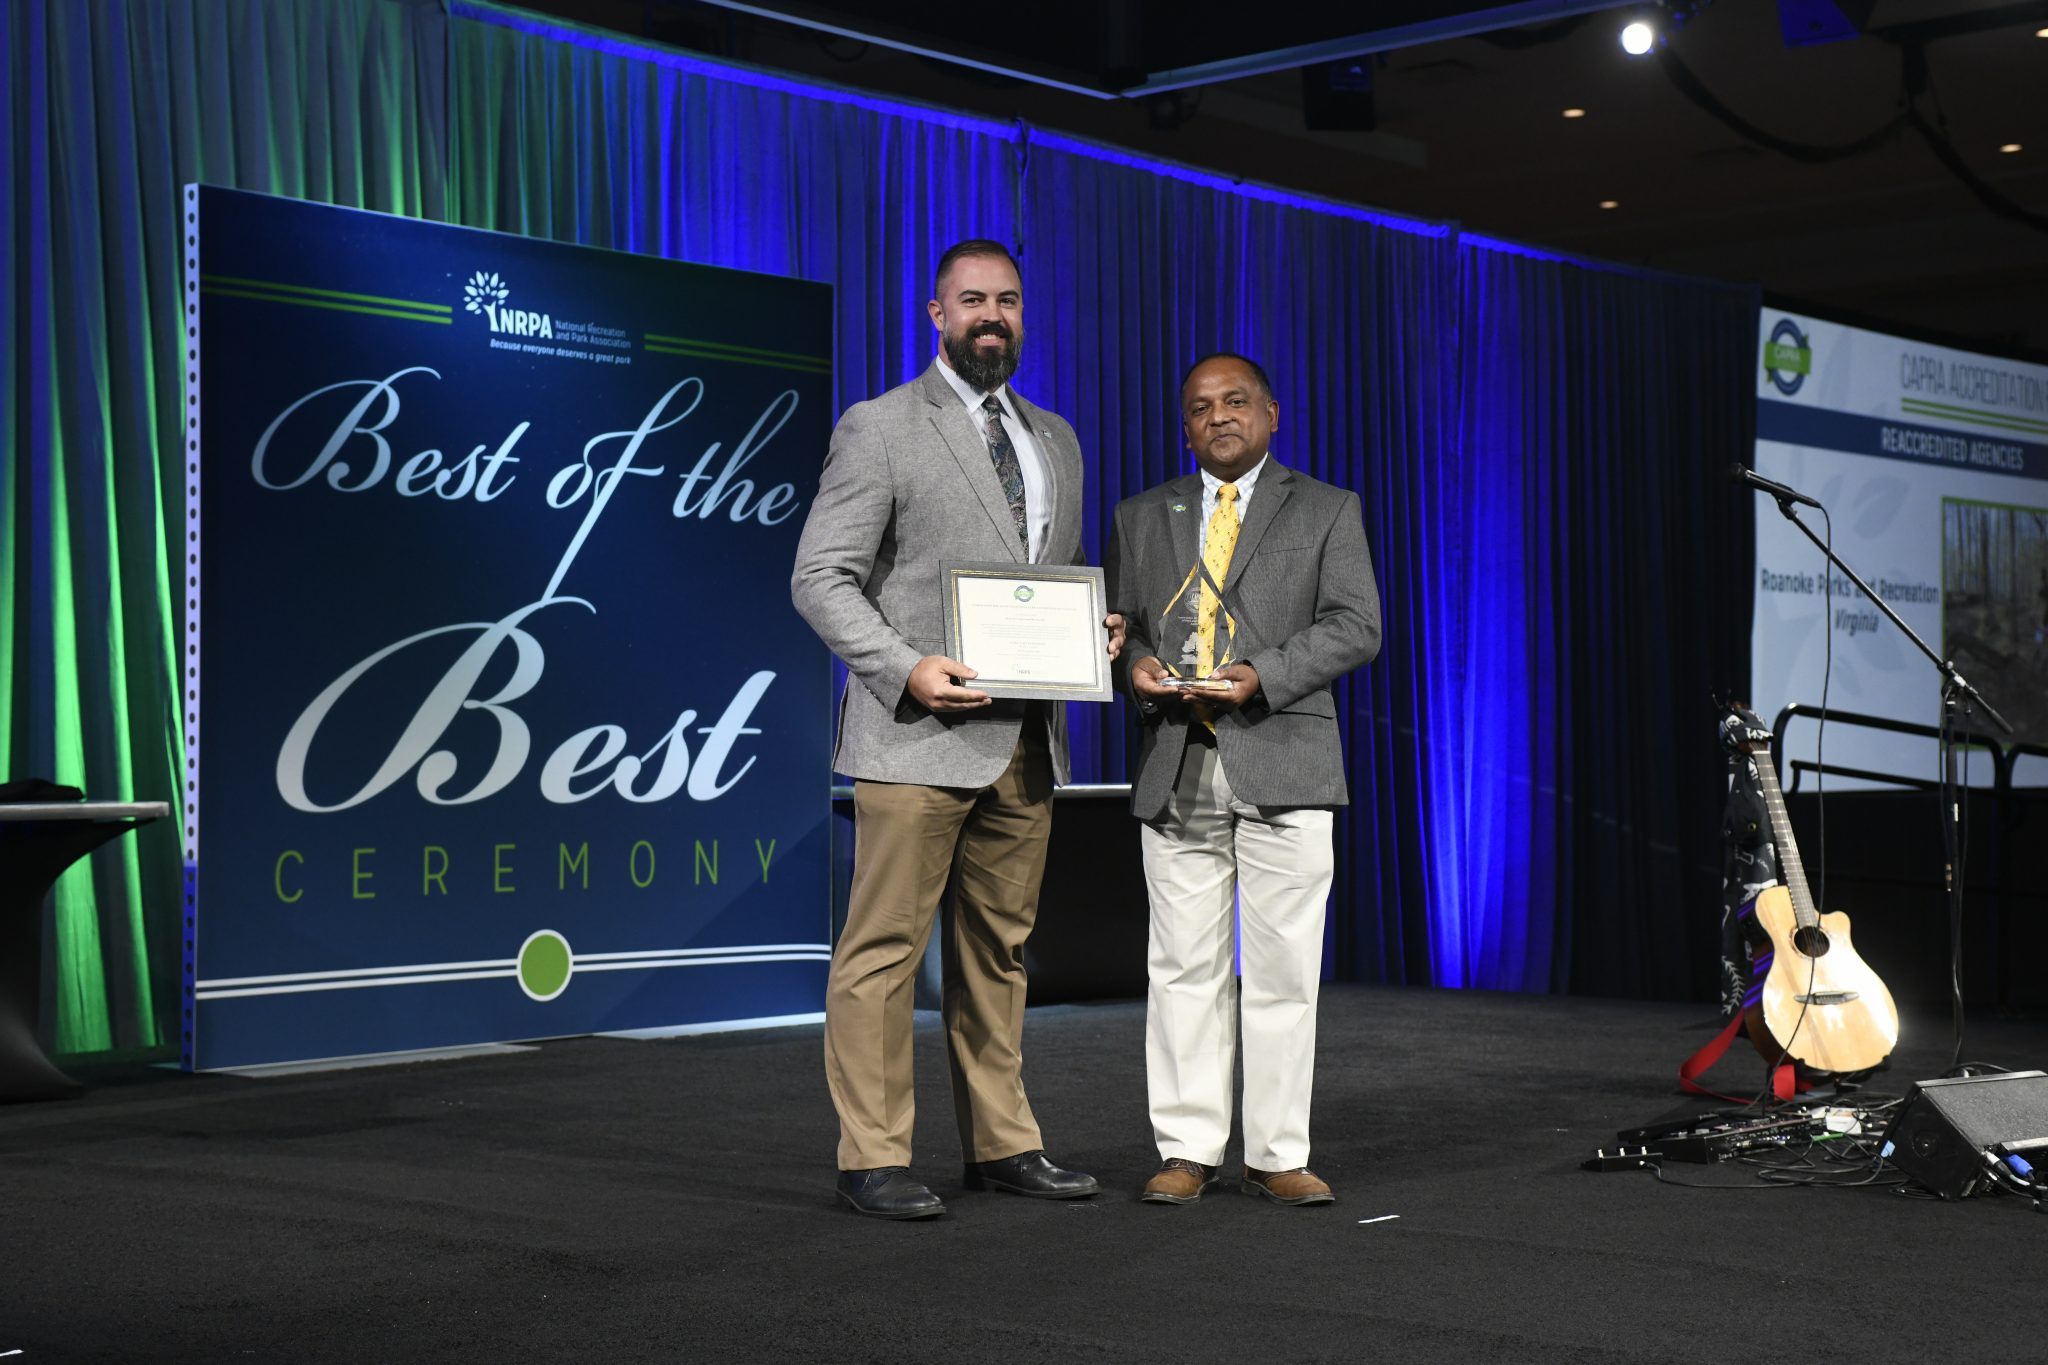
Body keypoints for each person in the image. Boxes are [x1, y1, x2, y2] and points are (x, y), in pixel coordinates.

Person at [791, 239, 1120, 1219]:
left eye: (1008, 300)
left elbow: (1041, 580)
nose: (992, 315)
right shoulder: (880, 427)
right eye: (971, 299)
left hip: (1024, 742)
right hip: (913, 737)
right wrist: (906, 667)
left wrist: (1091, 632)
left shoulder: (1053, 437)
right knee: (883, 952)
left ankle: (1002, 1143)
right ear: (934, 315)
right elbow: (819, 577)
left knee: (1000, 954)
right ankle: (873, 1157)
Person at [1105, 352, 1381, 1208]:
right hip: (1176, 759)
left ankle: (1277, 1152)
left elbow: (1356, 625)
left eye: (1234, 402)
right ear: (1184, 426)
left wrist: (1263, 670)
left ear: (1271, 414)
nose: (1217, 417)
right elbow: (1122, 630)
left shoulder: (1330, 507)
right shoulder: (1142, 515)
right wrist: (1140, 664)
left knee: (1283, 971)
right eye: (1198, 407)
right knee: (1180, 968)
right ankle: (1187, 1150)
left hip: (1285, 757)